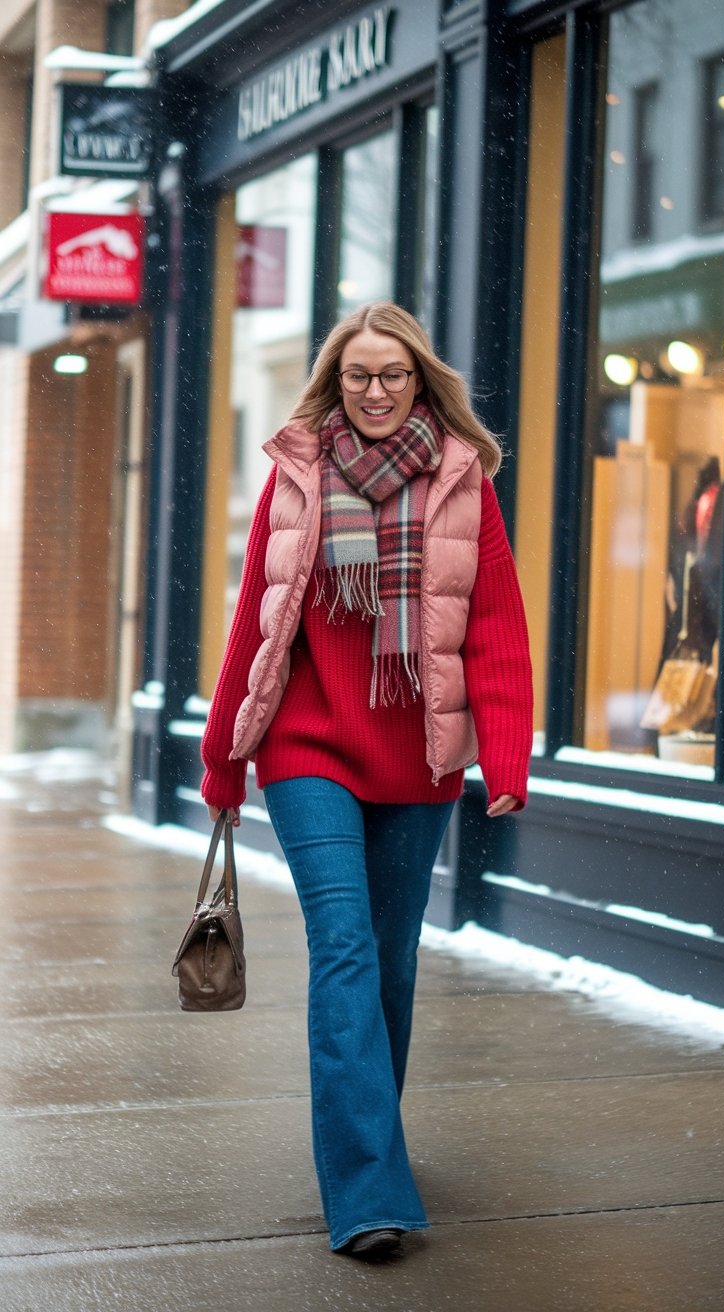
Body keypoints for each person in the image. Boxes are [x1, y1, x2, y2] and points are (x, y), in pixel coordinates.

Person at [201, 301, 533, 1259]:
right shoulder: (296, 479)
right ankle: (368, 1193)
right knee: (342, 947)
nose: (376, 391)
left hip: (417, 755)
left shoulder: (462, 487)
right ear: (335, 383)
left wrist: (503, 754)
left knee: (389, 962)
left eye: (393, 375)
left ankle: (370, 1141)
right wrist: (226, 754)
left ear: (420, 382)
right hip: (309, 747)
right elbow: (254, 628)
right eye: (358, 376)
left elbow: (497, 629)